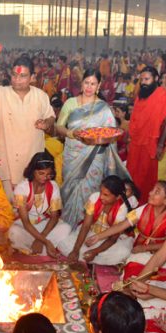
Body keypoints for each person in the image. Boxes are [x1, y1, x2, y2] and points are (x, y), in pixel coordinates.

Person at [0, 45, 55, 198]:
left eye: (23, 76)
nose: (17, 80)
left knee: (32, 210)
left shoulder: (41, 96)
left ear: (32, 77)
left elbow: (51, 117)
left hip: (34, 167)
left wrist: (47, 123)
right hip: (8, 166)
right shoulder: (0, 94)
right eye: (14, 75)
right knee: (11, 211)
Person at [52, 68, 129, 225]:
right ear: (81, 83)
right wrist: (72, 133)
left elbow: (109, 132)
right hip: (73, 153)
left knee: (91, 191)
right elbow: (58, 126)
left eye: (93, 84)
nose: (89, 87)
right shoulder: (70, 103)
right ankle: (67, 223)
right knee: (70, 188)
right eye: (86, 83)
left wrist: (97, 139)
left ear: (98, 86)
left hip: (96, 155)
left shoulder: (104, 108)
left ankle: (84, 225)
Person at [86, 181, 166, 280]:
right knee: (131, 274)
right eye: (152, 190)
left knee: (142, 278)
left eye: (156, 192)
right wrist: (98, 236)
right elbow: (121, 226)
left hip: (159, 254)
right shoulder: (143, 209)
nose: (150, 193)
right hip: (139, 248)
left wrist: (145, 248)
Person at [58, 175, 134, 266]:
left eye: (106, 195)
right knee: (64, 242)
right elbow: (85, 227)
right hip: (88, 234)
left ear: (117, 197)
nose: (101, 197)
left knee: (123, 252)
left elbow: (113, 239)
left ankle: (90, 256)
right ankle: (87, 257)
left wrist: (95, 251)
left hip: (106, 241)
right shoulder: (94, 198)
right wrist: (75, 250)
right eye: (101, 192)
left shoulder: (122, 209)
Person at [126, 67, 166, 202]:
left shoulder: (163, 98)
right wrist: (130, 139)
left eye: (147, 79)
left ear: (156, 79)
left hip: (151, 144)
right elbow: (134, 119)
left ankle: (143, 203)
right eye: (142, 79)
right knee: (131, 174)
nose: (143, 82)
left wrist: (160, 144)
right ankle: (130, 203)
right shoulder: (140, 97)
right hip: (136, 143)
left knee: (145, 176)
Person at [9, 151, 71, 257]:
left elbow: (54, 217)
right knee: (14, 232)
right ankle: (45, 249)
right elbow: (26, 222)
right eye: (41, 173)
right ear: (33, 171)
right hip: (26, 227)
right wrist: (45, 241)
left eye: (48, 174)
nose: (45, 178)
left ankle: (34, 249)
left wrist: (40, 239)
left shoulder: (53, 186)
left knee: (66, 228)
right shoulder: (22, 188)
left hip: (43, 225)